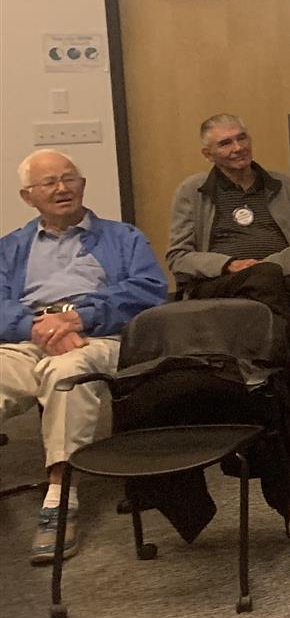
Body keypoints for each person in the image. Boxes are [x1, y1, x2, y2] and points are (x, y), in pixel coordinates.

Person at [0, 150, 168, 563]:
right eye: (49, 183)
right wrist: (36, 328)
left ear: (83, 185)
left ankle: (60, 499)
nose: (62, 188)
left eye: (69, 179)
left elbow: (148, 290)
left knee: (67, 373)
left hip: (97, 338)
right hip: (29, 338)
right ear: (28, 196)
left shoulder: (123, 237)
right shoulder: (11, 247)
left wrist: (79, 318)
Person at [166, 113, 290, 418]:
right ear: (208, 154)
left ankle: (274, 382)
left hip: (284, 276)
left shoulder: (282, 185)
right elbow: (178, 256)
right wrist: (229, 265)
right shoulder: (192, 191)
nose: (238, 148)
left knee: (268, 283)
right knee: (269, 286)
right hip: (222, 282)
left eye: (241, 138)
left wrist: (269, 266)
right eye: (225, 143)